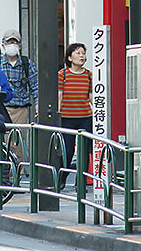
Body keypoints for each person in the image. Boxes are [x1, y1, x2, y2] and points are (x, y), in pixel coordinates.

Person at [0, 29, 38, 163]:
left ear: (19, 45)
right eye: (9, 42)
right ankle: (4, 175)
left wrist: (38, 104)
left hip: (21, 109)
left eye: (15, 42)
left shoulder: (26, 63)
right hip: (1, 109)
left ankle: (16, 177)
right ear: (3, 45)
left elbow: (35, 85)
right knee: (3, 142)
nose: (12, 45)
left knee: (18, 143)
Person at [57, 42, 92, 180]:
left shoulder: (89, 75)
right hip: (67, 118)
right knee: (67, 151)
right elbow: (59, 96)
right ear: (69, 58)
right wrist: (57, 115)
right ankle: (62, 177)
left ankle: (81, 181)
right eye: (78, 53)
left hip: (85, 117)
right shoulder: (62, 74)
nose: (81, 56)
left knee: (84, 151)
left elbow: (91, 97)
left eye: (83, 53)